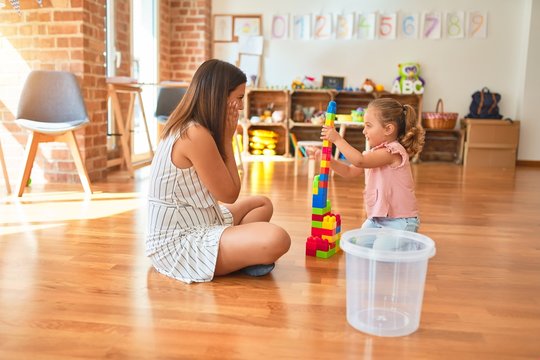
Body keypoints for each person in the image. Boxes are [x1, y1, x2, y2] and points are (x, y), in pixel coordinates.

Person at [146, 59, 290, 284]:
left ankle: (239, 253)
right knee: (277, 238)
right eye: (239, 98)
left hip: (203, 218)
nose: (241, 106)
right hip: (178, 242)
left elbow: (226, 191)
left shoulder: (192, 126)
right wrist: (227, 138)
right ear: (220, 96)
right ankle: (240, 255)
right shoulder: (194, 134)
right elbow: (229, 194)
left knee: (262, 204)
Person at [320, 97, 425, 233]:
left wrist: (337, 139)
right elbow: (349, 172)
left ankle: (408, 247)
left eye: (368, 125)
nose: (364, 131)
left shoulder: (392, 152)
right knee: (358, 245)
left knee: (378, 252)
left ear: (388, 129)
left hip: (400, 220)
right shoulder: (374, 153)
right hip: (377, 220)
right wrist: (327, 160)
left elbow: (359, 161)